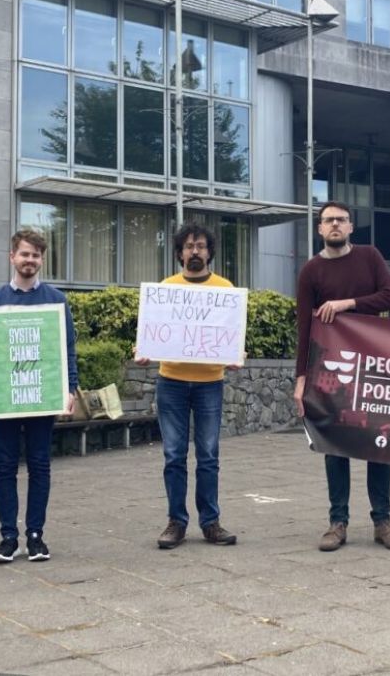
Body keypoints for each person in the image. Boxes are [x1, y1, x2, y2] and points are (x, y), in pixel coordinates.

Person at [295, 201, 390, 552]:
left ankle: (382, 521)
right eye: (328, 221)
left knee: (380, 443)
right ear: (319, 229)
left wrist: (347, 304)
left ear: (350, 226)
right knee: (335, 445)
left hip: (373, 365)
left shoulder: (370, 257)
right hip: (332, 370)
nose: (334, 226)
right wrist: (301, 379)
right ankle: (337, 522)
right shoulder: (311, 271)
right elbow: (304, 326)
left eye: (340, 220)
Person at [0, 230, 78, 564]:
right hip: (5, 398)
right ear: (12, 257)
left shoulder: (56, 301)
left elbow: (67, 350)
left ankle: (35, 536)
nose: (29, 260)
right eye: (24, 254)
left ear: (41, 260)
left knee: (40, 466)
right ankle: (7, 538)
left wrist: (70, 388)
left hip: (41, 396)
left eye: (35, 255)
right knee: (4, 467)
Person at [147, 223, 238, 549]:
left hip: (209, 384)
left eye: (200, 245)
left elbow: (233, 334)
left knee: (209, 455)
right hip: (170, 381)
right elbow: (154, 330)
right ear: (179, 253)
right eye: (189, 246)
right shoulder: (166, 288)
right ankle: (176, 522)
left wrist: (236, 352)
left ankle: (210, 522)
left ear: (210, 251)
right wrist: (145, 349)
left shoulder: (225, 288)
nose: (195, 251)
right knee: (173, 455)